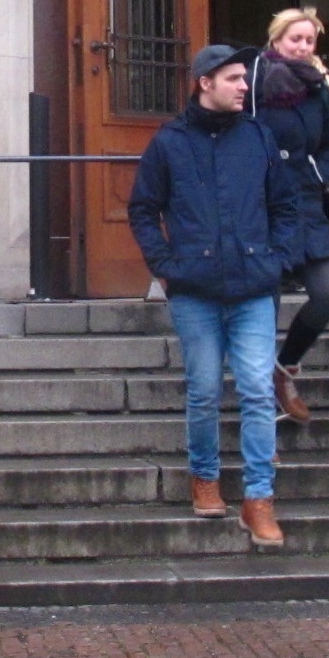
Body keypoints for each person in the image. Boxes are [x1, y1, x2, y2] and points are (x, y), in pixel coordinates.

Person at [129, 45, 299, 546]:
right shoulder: (169, 142)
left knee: (257, 389)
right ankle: (204, 477)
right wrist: (166, 267)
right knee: (203, 390)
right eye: (233, 78)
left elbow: (286, 205)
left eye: (244, 77)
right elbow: (143, 209)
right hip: (195, 290)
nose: (245, 86)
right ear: (205, 83)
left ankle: (258, 498)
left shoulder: (258, 136)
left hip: (253, 287)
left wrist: (277, 260)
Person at [247, 7, 329, 423]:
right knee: (263, 307)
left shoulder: (320, 86)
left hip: (306, 202)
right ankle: (261, 413)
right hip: (263, 207)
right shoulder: (253, 80)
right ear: (276, 40)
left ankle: (285, 368)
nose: (303, 47)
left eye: (309, 41)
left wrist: (321, 176)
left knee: (328, 293)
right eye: (295, 39)